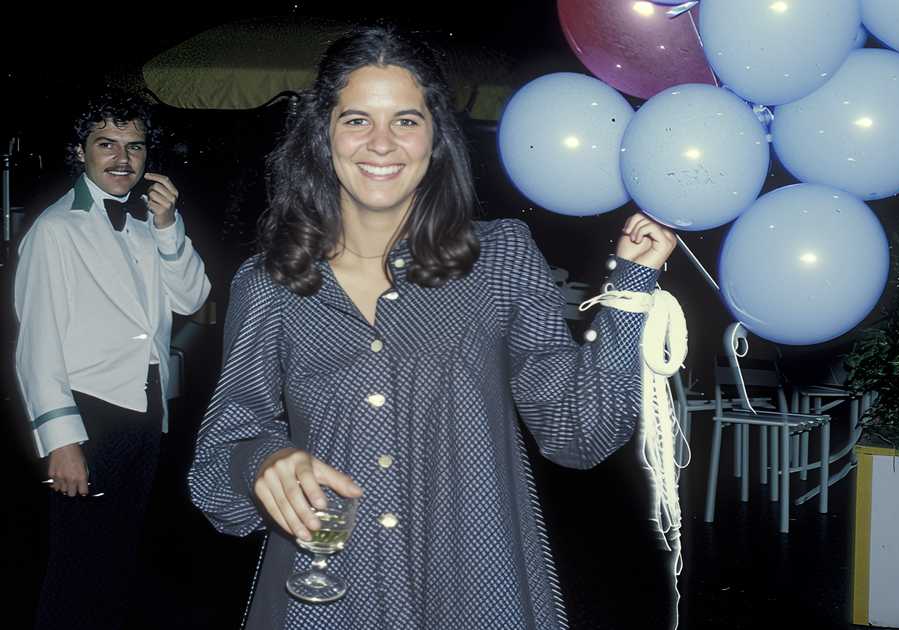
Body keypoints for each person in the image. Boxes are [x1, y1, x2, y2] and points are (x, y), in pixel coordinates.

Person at [188, 26, 676, 629]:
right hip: (329, 600)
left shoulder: (499, 259)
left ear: (435, 136)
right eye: (358, 120)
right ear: (324, 135)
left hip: (476, 592)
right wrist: (263, 460)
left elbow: (579, 432)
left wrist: (630, 290)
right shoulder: (271, 283)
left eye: (407, 121)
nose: (382, 144)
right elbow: (217, 464)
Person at [13, 90, 211, 629]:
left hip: (145, 406)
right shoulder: (55, 230)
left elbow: (191, 298)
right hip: (90, 414)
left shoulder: (148, 221)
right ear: (81, 152)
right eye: (107, 144)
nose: (123, 159)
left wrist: (171, 227)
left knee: (118, 559)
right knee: (76, 567)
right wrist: (62, 443)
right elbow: (36, 349)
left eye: (135, 146)